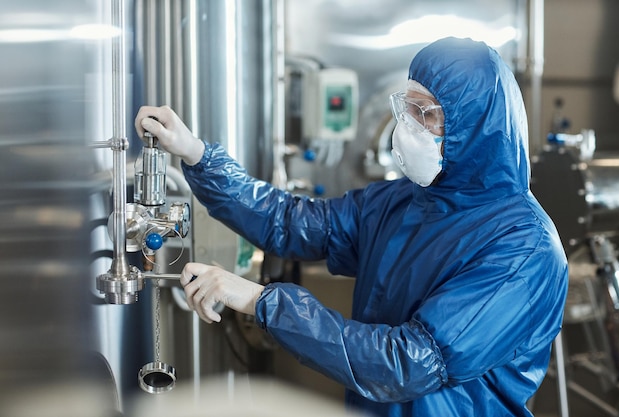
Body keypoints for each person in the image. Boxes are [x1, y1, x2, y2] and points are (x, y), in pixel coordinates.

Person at [134, 37, 568, 417]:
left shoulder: (523, 250)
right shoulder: (403, 202)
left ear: (476, 127)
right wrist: (196, 155)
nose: (408, 127)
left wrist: (263, 303)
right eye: (406, 106)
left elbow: (409, 364)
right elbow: (293, 222)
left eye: (426, 113)